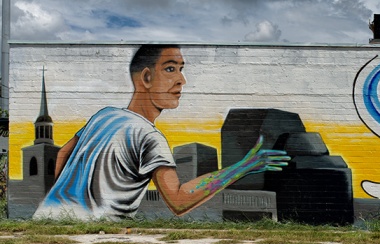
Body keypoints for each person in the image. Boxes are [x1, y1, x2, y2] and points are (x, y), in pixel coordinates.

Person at [34, 45, 290, 220]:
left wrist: (66, 195)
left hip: (47, 218)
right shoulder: (149, 137)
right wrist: (243, 167)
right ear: (146, 78)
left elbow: (63, 153)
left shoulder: (104, 114)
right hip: (92, 234)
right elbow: (178, 201)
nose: (182, 80)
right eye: (170, 69)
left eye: (181, 68)